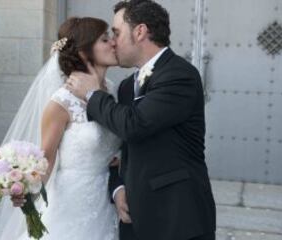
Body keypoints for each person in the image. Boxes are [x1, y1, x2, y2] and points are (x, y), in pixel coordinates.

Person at [0, 17, 122, 240]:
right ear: (84, 52)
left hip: (107, 199)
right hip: (72, 202)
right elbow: (47, 160)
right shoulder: (61, 103)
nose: (113, 43)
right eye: (104, 39)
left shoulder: (111, 92)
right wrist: (25, 192)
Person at [66, 1, 216, 240]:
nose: (113, 41)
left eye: (116, 32)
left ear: (140, 32)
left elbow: (135, 125)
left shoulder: (179, 75)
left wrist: (93, 94)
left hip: (177, 219)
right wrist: (117, 187)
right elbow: (118, 148)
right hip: (134, 218)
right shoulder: (126, 87)